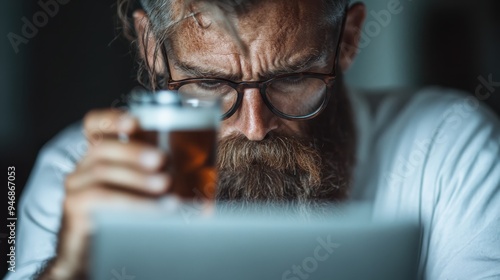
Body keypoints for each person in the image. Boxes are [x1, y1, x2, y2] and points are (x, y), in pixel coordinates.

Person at [7, 0, 500, 279]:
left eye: (291, 78)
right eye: (211, 84)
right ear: (154, 51)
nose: (254, 126)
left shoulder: (446, 150)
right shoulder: (80, 172)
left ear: (347, 38)